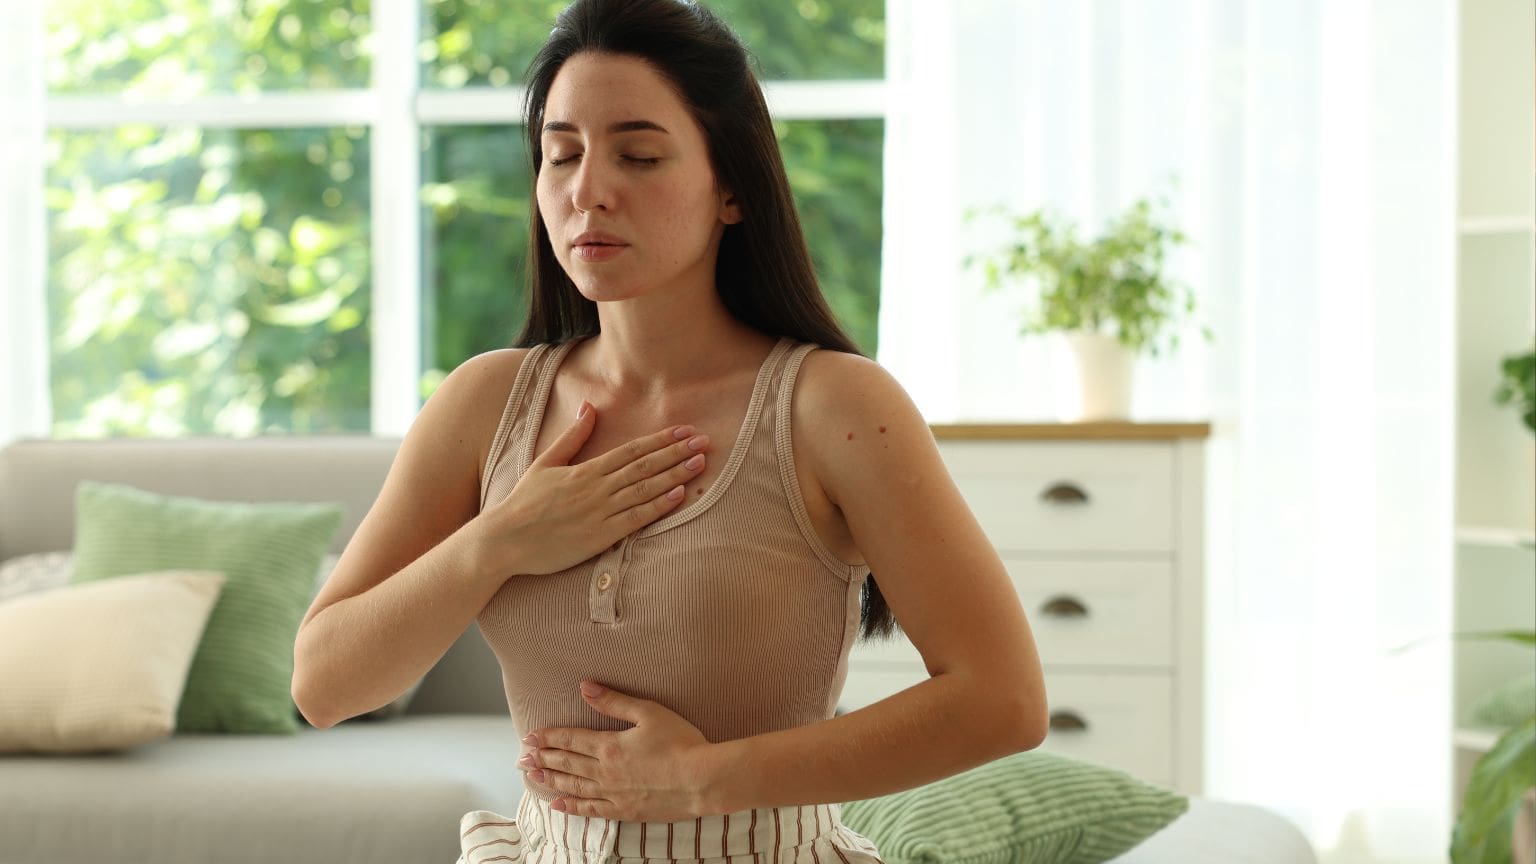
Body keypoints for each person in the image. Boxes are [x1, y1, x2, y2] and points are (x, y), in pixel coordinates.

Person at [292, 0, 1047, 861]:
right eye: (561, 154)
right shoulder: (484, 404)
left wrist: (704, 780)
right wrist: (498, 542)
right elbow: (323, 685)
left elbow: (1004, 701)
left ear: (731, 187)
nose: (588, 190)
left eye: (639, 155)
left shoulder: (835, 406)